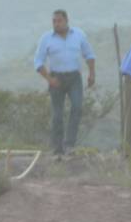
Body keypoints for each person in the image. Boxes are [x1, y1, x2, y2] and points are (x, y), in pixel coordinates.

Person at [34, 9, 96, 159]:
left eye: (59, 21)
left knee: (77, 107)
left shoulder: (79, 35)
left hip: (74, 77)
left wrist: (92, 73)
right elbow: (38, 62)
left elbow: (89, 55)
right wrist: (49, 79)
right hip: (56, 78)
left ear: (66, 20)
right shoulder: (46, 38)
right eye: (54, 21)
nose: (56, 24)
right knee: (57, 114)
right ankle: (57, 148)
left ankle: (69, 145)